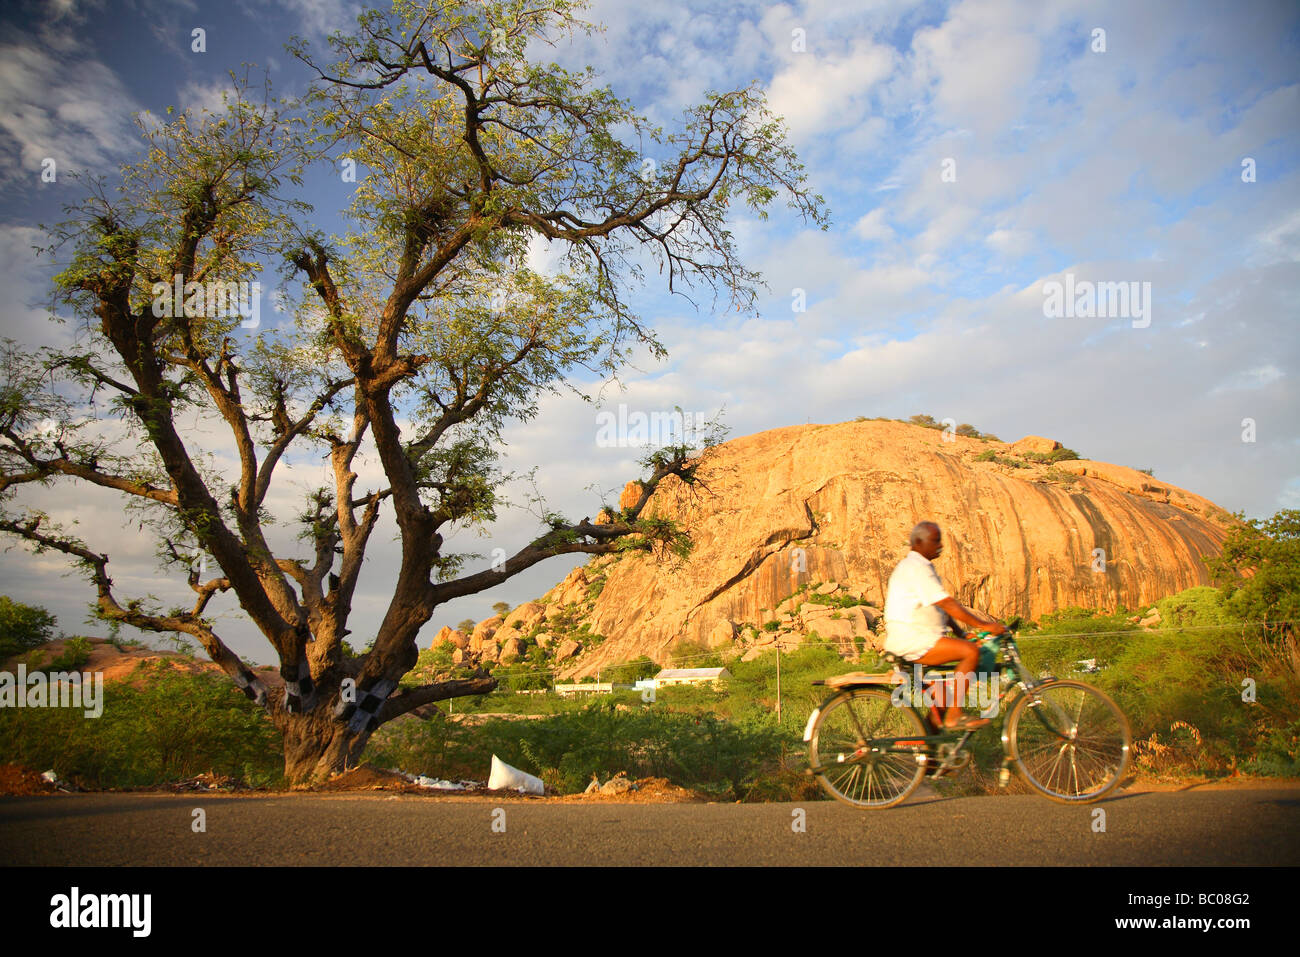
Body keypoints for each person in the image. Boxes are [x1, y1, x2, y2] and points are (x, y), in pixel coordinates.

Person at [883, 521, 1006, 730]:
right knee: (970, 653)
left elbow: (941, 610)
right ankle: (955, 716)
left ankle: (932, 755)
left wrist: (961, 633)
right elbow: (947, 603)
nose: (940, 545)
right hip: (913, 639)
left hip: (919, 637)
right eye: (935, 540)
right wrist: (983, 626)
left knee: (943, 697)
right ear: (919, 542)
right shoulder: (917, 568)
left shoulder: (921, 566)